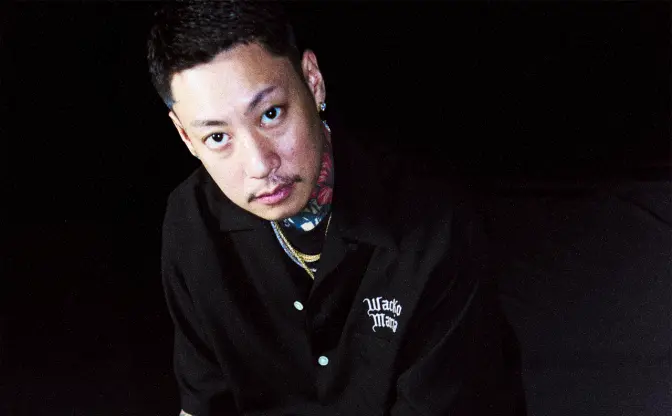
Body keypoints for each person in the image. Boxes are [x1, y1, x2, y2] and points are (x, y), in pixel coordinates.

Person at [147, 1, 525, 415]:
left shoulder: (436, 224)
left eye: (270, 114)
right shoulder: (190, 224)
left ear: (313, 82)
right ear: (186, 137)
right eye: (218, 137)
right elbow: (203, 403)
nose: (259, 165)